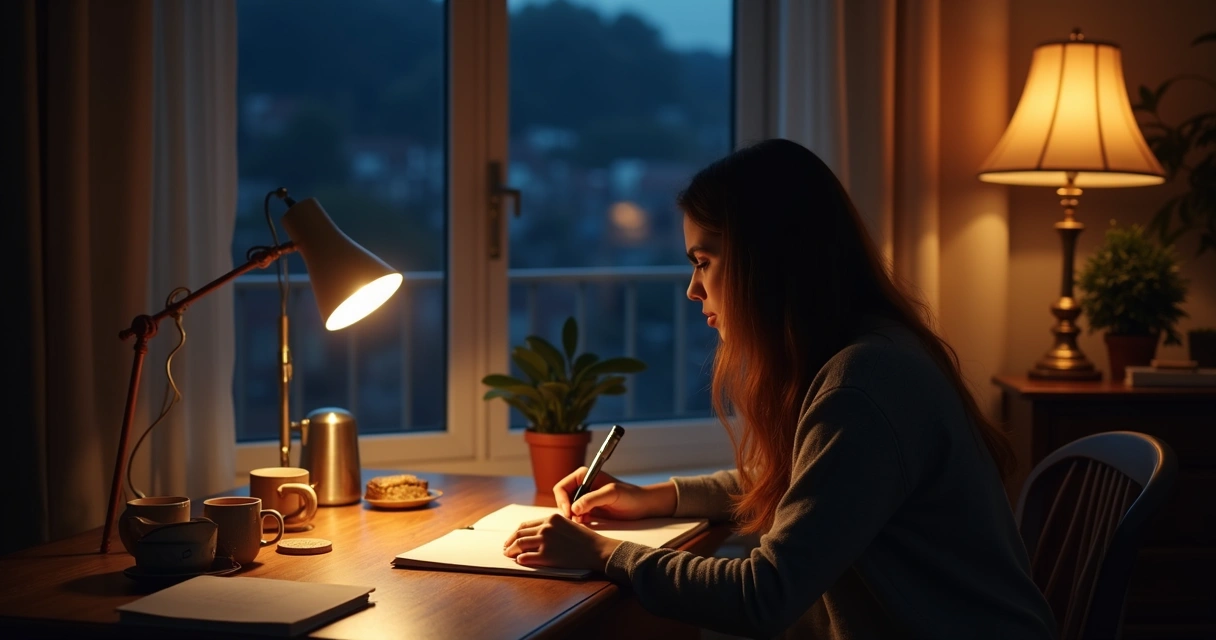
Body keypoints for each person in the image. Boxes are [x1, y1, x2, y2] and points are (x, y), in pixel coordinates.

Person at [502, 138, 1057, 639]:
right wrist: (656, 496)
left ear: (765, 262)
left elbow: (763, 596)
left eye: (704, 261)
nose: (694, 289)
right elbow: (805, 487)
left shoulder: (864, 385)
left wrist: (601, 553)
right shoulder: (868, 353)